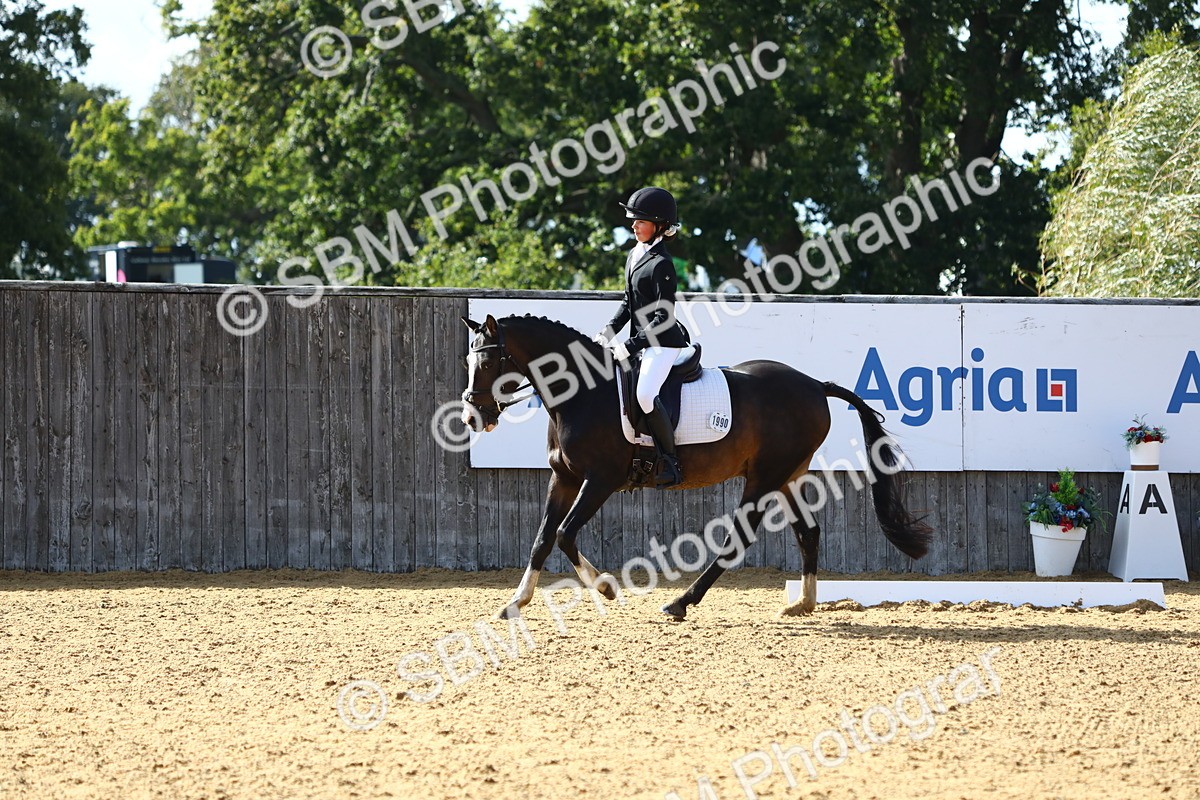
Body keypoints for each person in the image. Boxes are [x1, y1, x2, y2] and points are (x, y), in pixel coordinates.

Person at [595, 186, 691, 487]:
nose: (633, 225)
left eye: (641, 221)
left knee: (646, 395)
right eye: (634, 220)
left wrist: (630, 345)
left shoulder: (662, 264)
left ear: (660, 226)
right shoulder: (635, 255)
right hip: (640, 341)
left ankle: (670, 461)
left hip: (663, 343)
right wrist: (608, 332)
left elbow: (665, 317)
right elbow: (628, 302)